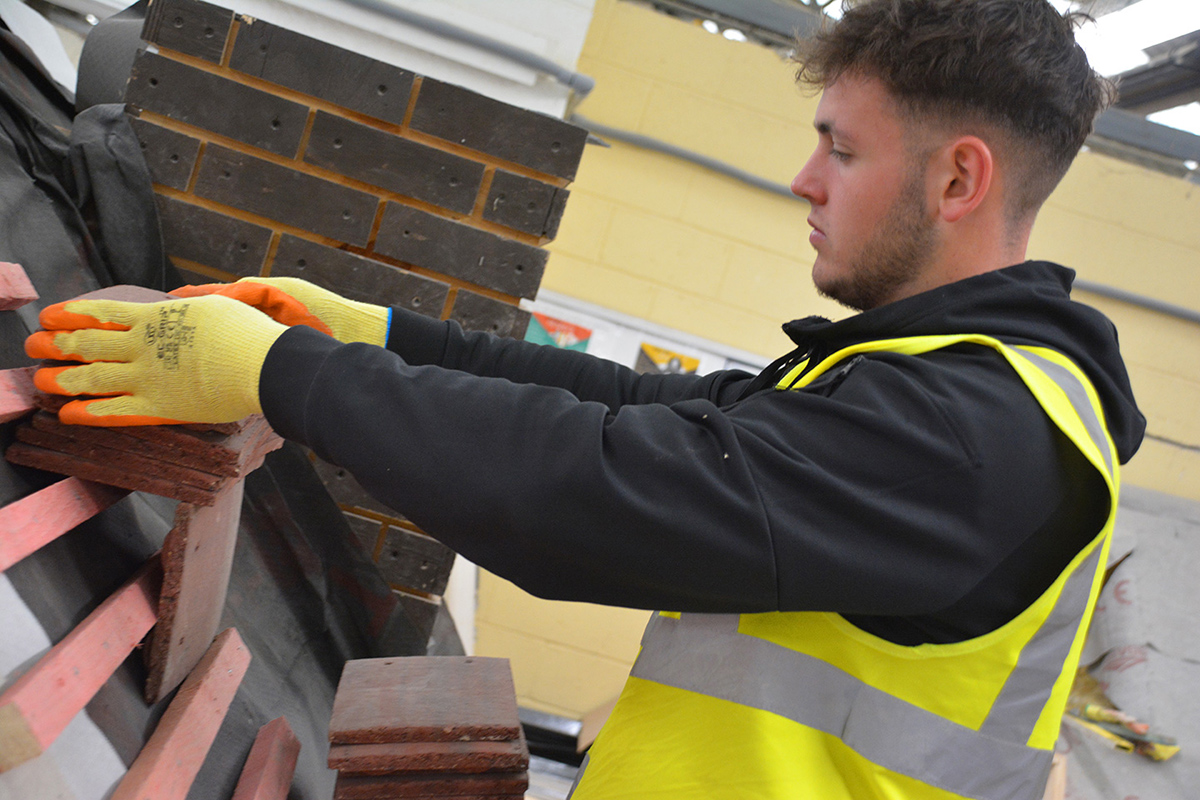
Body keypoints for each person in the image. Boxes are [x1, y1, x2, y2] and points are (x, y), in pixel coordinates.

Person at [28, 0, 1145, 797]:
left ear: (958, 179)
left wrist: (278, 374)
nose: (805, 181)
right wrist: (373, 332)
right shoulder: (935, 383)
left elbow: (598, 490)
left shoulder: (973, 433)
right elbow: (641, 411)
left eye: (842, 151)